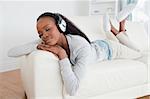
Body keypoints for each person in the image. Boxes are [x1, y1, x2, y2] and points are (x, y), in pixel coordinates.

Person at [8, 12, 142, 96]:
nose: (44, 35)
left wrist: (62, 55)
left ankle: (116, 31)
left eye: (48, 29)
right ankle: (116, 30)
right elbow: (11, 52)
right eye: (40, 33)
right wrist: (37, 46)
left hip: (111, 49)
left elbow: (72, 89)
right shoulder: (47, 41)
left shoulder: (80, 46)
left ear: (61, 27)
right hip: (97, 45)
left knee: (138, 53)